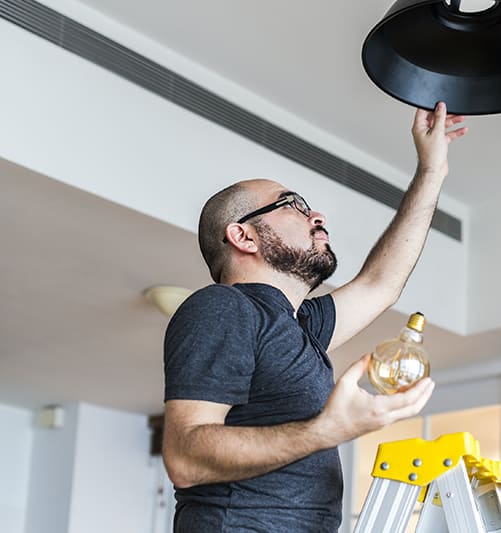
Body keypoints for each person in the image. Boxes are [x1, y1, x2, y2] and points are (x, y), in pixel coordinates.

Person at [161, 102, 468, 532]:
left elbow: (381, 282)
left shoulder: (299, 325)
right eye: (293, 205)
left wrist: (431, 171)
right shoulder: (223, 308)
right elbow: (184, 457)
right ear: (243, 235)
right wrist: (328, 430)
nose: (317, 216)